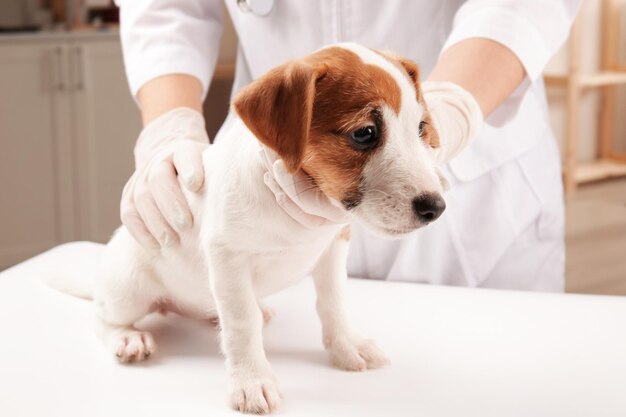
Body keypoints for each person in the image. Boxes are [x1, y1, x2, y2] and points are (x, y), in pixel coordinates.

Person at [115, 0, 583, 292]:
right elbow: (163, 7)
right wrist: (169, 125)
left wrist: (451, 108)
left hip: (481, 190)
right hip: (271, 183)